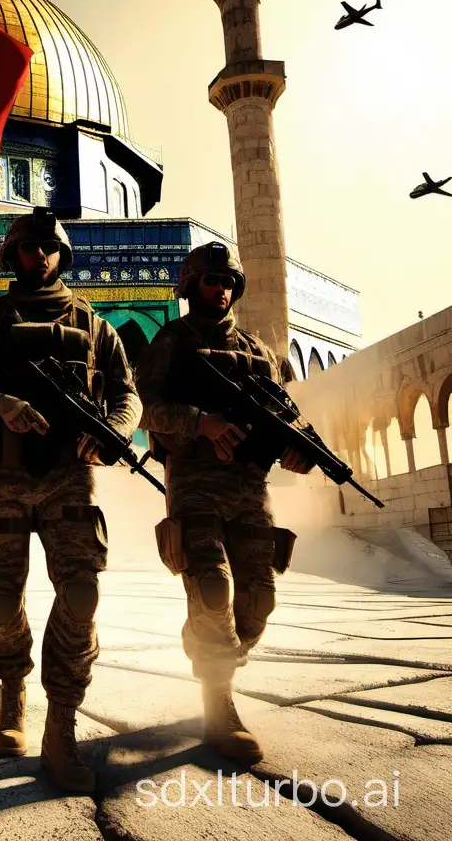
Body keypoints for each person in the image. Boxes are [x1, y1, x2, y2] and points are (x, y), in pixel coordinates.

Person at [0, 207, 141, 793]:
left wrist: (113, 433)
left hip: (69, 479)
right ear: (13, 256)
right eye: (29, 249)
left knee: (80, 593)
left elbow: (127, 396)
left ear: (62, 254)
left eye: (49, 249)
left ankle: (62, 724)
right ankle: (12, 689)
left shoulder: (96, 327)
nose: (40, 258)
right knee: (2, 603)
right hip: (4, 478)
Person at [134, 241, 311, 762]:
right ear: (191, 285)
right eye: (212, 281)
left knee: (258, 602)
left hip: (250, 488)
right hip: (194, 483)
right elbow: (141, 407)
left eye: (229, 282)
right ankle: (219, 702)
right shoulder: (171, 340)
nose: (222, 289)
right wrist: (199, 423)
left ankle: (211, 649)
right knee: (213, 588)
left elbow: (287, 413)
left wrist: (296, 447)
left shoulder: (257, 351)